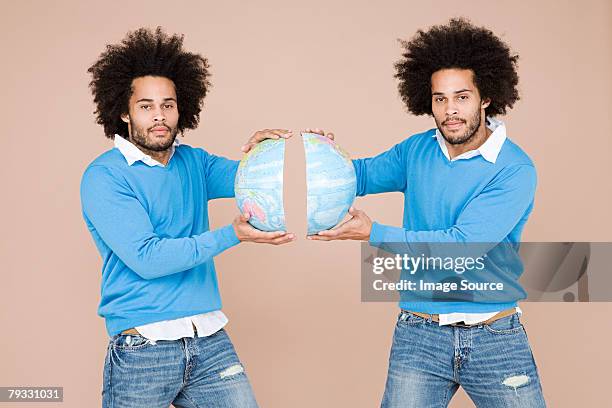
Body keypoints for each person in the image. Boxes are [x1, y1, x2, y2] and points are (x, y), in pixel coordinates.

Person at [306, 18, 546, 407]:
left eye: (462, 97)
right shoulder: (416, 150)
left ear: (486, 97)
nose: (450, 110)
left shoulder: (514, 169)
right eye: (440, 99)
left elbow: (463, 246)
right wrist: (321, 154)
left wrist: (374, 233)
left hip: (495, 337)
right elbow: (359, 175)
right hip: (419, 332)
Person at [81, 27, 295, 407]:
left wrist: (266, 152)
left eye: (168, 105)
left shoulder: (194, 162)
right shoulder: (105, 176)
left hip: (208, 337)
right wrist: (233, 234)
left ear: (183, 108)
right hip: (142, 347)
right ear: (123, 112)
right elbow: (148, 258)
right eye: (145, 106)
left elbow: (254, 180)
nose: (159, 116)